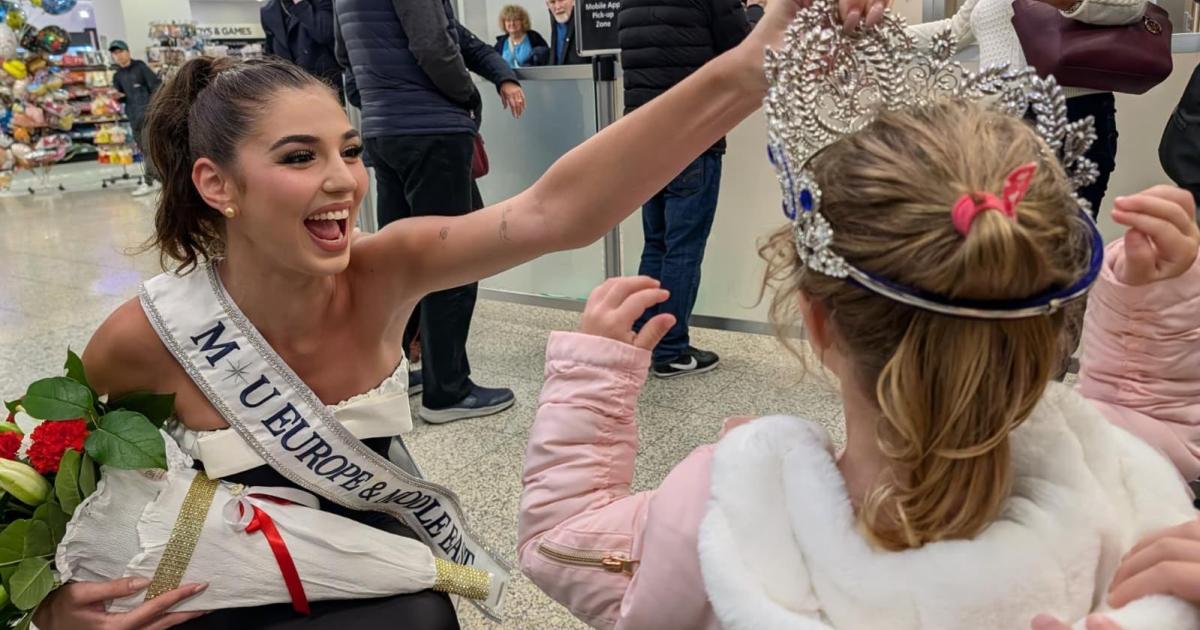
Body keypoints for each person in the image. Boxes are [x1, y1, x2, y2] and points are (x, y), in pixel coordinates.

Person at [33, 0, 872, 626]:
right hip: (229, 596)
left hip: (386, 580)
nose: (342, 181)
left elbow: (555, 212)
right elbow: (40, 482)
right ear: (217, 184)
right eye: (299, 157)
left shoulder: (385, 267)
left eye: (348, 150)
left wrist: (754, 66)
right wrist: (53, 606)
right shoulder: (148, 335)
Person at [516, 95, 1200, 628]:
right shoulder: (1126, 515)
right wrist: (1146, 307)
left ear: (816, 321)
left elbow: (560, 541)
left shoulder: (729, 522)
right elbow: (1137, 431)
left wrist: (595, 379)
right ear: (1049, 328)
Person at [335, 0, 527, 424]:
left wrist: (379, 101)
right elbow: (434, 45)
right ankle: (448, 391)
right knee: (454, 260)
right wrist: (467, 96)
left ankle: (393, 374)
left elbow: (345, 57)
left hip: (384, 132)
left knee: (399, 260)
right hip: (432, 131)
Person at [618, 0, 763, 377]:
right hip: (692, 134)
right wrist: (756, 12)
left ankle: (645, 341)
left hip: (642, 135)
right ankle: (671, 350)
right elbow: (743, 51)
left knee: (656, 243)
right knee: (683, 248)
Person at [908, 0, 1147, 217]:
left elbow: (1131, 7)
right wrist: (887, 32)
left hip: (1069, 117)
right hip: (998, 128)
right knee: (999, 236)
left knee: (1066, 237)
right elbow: (955, 31)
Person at [260, 0, 343, 102]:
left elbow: (325, 34)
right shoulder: (268, 11)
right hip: (287, 86)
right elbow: (270, 52)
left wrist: (301, 4)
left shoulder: (321, 2)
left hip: (325, 83)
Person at [109, 40, 161, 198]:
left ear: (128, 52)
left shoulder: (141, 68)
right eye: (115, 53)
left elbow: (157, 87)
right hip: (134, 117)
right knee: (145, 150)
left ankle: (150, 181)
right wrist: (117, 97)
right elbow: (122, 97)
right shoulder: (118, 75)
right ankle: (156, 180)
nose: (118, 55)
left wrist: (155, 110)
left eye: (120, 51)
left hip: (149, 116)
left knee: (150, 148)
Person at [547, 0, 586, 65]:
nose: (558, 7)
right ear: (547, 5)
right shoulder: (554, 18)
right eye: (552, 2)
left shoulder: (588, 15)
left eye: (561, 0)